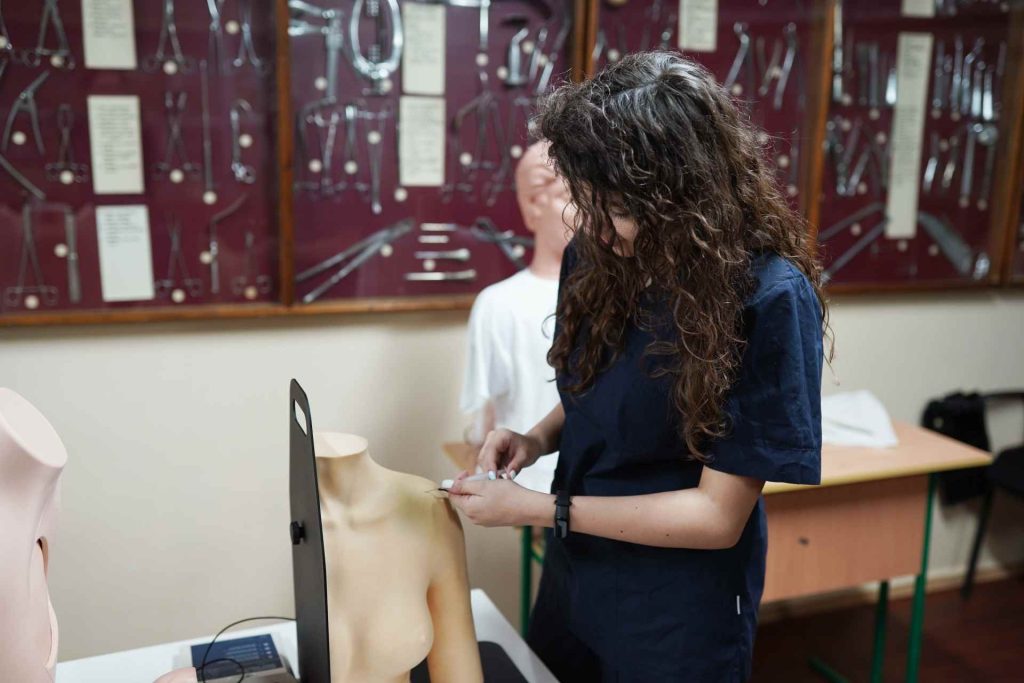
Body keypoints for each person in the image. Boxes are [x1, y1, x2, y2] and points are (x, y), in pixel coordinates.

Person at [448, 51, 829, 682]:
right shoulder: (600, 254)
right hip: (578, 573)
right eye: (585, 202)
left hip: (675, 606)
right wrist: (535, 438)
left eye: (615, 210)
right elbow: (598, 390)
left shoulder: (766, 297)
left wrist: (542, 510)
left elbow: (715, 519)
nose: (593, 229)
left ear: (683, 199)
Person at [460, 140, 574, 493]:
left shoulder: (613, 296)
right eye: (570, 197)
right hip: (529, 478)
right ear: (533, 205)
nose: (584, 213)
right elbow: (483, 424)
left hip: (590, 485)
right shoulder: (500, 304)